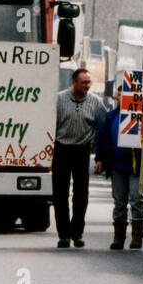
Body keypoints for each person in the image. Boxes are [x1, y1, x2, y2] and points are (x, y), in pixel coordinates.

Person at [52, 67, 107, 249]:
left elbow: (103, 129)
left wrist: (100, 156)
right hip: (61, 150)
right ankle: (63, 235)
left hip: (82, 151)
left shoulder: (96, 103)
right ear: (74, 82)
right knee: (60, 194)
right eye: (83, 83)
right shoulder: (59, 99)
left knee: (81, 195)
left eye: (88, 83)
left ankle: (77, 233)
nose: (87, 86)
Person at [95, 90, 143, 249]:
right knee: (119, 202)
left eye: (125, 94)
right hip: (117, 166)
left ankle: (137, 238)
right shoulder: (111, 117)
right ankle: (119, 238)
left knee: (136, 201)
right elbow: (102, 139)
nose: (121, 97)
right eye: (119, 94)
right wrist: (100, 159)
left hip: (136, 167)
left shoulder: (142, 116)